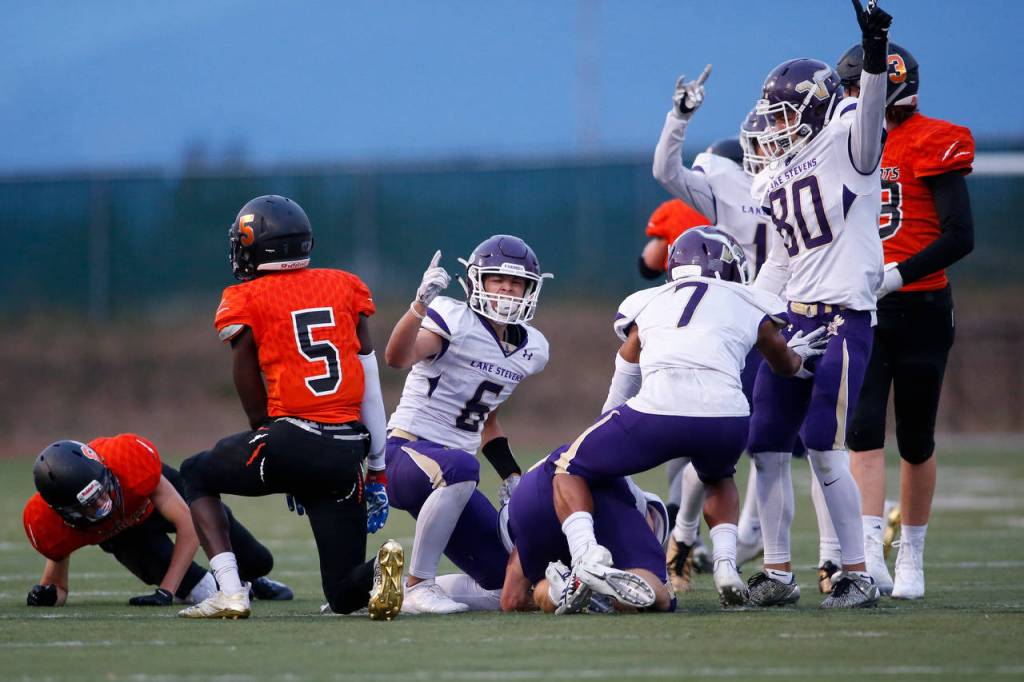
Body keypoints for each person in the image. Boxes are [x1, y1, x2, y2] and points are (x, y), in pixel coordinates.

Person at [549, 227, 827, 610]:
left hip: (658, 411)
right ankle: (726, 566)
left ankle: (587, 557)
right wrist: (797, 363)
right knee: (719, 476)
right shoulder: (750, 300)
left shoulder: (647, 301)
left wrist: (608, 420)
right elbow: (784, 362)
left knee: (568, 466)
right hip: (726, 418)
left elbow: (627, 366)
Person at [653, 74, 841, 593]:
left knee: (794, 445)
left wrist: (679, 119)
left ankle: (799, 554)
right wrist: (681, 118)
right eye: (757, 144)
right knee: (734, 441)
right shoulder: (750, 185)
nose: (765, 149)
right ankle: (691, 540)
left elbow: (666, 169)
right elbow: (667, 172)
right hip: (748, 323)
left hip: (791, 317)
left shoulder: (787, 179)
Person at [178, 194, 403, 620]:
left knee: (195, 472)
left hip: (290, 439)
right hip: (345, 451)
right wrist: (377, 468)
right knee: (342, 592)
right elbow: (370, 388)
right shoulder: (346, 286)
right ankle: (380, 571)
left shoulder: (247, 297)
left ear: (255, 246)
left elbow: (245, 377)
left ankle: (230, 591)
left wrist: (268, 436)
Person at [742, 0, 893, 608]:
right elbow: (779, 261)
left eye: (783, 115)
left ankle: (853, 567)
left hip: (841, 319)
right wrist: (742, 312)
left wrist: (876, 49)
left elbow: (872, 110)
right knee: (767, 444)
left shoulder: (847, 142)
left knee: (824, 444)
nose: (773, 128)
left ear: (812, 106)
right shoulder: (771, 176)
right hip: (793, 319)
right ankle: (778, 571)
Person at [838, 41, 975, 599]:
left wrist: (898, 274)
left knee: (916, 438)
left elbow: (960, 236)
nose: (850, 98)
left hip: (920, 305)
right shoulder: (846, 144)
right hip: (865, 306)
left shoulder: (936, 139)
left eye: (857, 86)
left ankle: (911, 553)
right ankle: (870, 551)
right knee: (864, 429)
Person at [383, 235, 551, 614]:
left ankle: (376, 588)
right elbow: (397, 357)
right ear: (478, 282)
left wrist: (511, 475)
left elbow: (487, 416)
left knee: (507, 584)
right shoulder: (452, 317)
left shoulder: (531, 350)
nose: (507, 289)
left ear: (530, 289)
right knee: (462, 468)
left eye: (516, 283)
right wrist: (418, 306)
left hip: (453, 474)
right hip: (405, 453)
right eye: (497, 280)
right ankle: (419, 585)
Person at [23, 436, 292, 607]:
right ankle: (236, 586)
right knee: (205, 590)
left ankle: (251, 579)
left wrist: (166, 591)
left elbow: (188, 523)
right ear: (61, 511)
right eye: (88, 505)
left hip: (155, 500)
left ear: (104, 469)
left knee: (258, 560)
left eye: (100, 492)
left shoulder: (129, 463)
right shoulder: (48, 523)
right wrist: (46, 596)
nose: (101, 504)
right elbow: (58, 587)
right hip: (127, 537)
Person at [501, 465, 674, 615]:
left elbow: (512, 600)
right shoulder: (640, 507)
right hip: (587, 483)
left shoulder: (520, 522)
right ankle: (598, 585)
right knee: (663, 598)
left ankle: (559, 591)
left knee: (556, 583)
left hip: (526, 498)